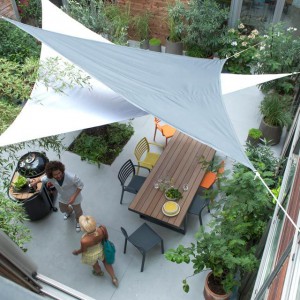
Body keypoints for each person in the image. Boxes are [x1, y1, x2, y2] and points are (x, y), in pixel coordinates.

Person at [30, 161, 84, 232]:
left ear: (62, 170)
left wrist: (73, 197)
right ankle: (70, 211)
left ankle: (78, 221)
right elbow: (42, 179)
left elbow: (81, 185)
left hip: (75, 197)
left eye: (59, 173)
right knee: (62, 209)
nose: (58, 176)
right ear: (51, 175)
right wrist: (35, 182)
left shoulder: (72, 177)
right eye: (55, 174)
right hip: (63, 197)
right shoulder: (50, 178)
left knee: (78, 211)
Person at [72, 215, 118, 287]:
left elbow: (83, 250)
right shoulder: (102, 228)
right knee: (107, 263)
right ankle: (114, 278)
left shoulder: (84, 240)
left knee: (95, 265)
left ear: (83, 228)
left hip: (90, 255)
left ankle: (99, 273)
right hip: (101, 249)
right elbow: (106, 238)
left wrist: (76, 252)